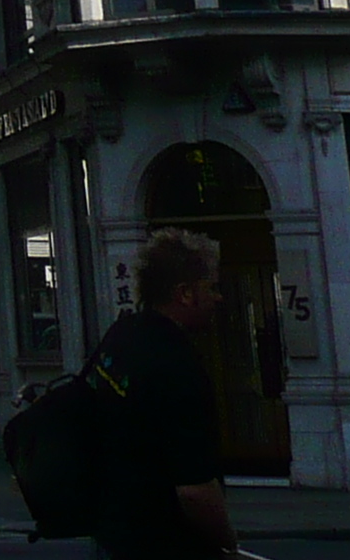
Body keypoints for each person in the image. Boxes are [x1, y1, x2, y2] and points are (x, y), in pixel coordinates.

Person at [92, 228, 235, 560]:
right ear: (184, 293)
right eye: (211, 287)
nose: (218, 298)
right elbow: (195, 490)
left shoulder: (120, 335)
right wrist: (227, 539)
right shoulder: (177, 364)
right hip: (162, 543)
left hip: (113, 534)